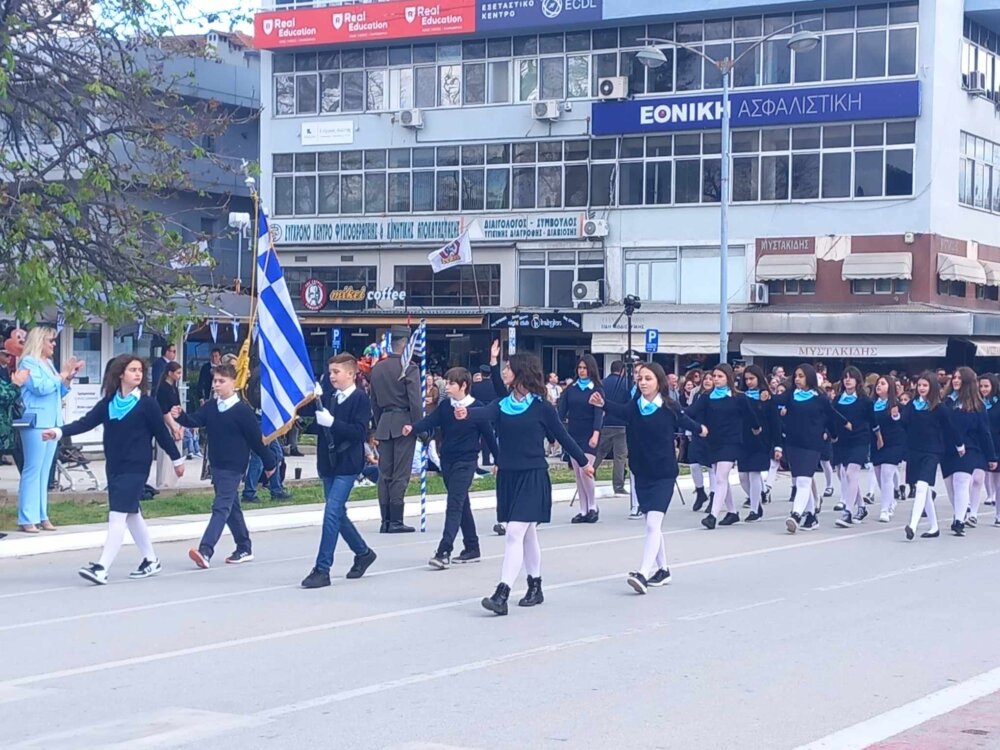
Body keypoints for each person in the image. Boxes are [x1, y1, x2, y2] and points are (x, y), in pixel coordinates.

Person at [456, 352, 592, 616]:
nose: (505, 371)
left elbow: (563, 437)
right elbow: (483, 413)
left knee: (514, 532)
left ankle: (502, 593)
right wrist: (465, 413)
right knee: (528, 535)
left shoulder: (542, 407)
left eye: (509, 368)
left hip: (533, 476)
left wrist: (584, 463)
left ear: (521, 372)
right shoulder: (501, 404)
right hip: (508, 477)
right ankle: (535, 586)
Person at [44, 355, 184, 584]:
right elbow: (85, 422)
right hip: (115, 466)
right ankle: (151, 560)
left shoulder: (147, 403)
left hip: (137, 467)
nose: (138, 374)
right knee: (131, 514)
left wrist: (177, 460)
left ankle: (102, 567)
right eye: (132, 370)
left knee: (117, 515)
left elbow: (161, 434)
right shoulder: (109, 402)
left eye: (140, 370)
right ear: (120, 374)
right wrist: (58, 432)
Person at [590, 363, 705, 594]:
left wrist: (701, 429)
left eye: (648, 378)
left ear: (659, 382)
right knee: (652, 525)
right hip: (641, 472)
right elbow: (620, 411)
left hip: (663, 474)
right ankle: (663, 570)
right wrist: (603, 404)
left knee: (653, 524)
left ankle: (642, 573)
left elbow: (686, 421)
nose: (643, 382)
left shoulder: (669, 406)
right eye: (640, 378)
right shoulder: (635, 406)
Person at [175, 363, 276, 568]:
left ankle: (205, 550)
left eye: (221, 381)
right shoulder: (212, 406)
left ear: (233, 383)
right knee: (232, 508)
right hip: (217, 465)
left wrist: (269, 462)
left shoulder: (243, 411)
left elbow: (256, 441)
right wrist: (181, 416)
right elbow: (196, 420)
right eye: (215, 381)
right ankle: (244, 547)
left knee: (221, 507)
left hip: (234, 466)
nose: (216, 385)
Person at [404, 366, 499, 569]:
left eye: (451, 383)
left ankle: (444, 550)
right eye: (446, 383)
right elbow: (431, 420)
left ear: (463, 385)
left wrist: (499, 461)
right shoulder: (446, 406)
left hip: (466, 462)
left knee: (454, 503)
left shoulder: (477, 408)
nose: (446, 387)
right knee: (462, 503)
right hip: (447, 460)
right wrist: (413, 428)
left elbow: (489, 436)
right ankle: (472, 547)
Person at [301, 354, 378, 589]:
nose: (332, 376)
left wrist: (332, 423)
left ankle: (322, 568)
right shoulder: (329, 397)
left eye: (336, 372)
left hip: (347, 464)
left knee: (332, 512)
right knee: (338, 514)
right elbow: (309, 418)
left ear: (351, 374)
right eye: (330, 372)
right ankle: (363, 553)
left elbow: (358, 432)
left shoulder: (360, 399)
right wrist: (309, 399)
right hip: (328, 463)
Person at [17, 327, 83, 533]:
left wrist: (67, 378)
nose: (54, 344)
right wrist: (60, 375)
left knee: (46, 470)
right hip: (36, 421)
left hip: (52, 420)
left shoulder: (48, 364)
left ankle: (42, 515)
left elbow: (57, 391)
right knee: (33, 468)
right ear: (39, 341)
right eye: (50, 341)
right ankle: (27, 517)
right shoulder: (28, 362)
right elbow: (40, 388)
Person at [685, 364, 761, 529]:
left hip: (731, 442)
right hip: (713, 442)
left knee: (720, 477)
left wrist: (756, 428)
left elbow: (751, 416)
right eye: (714, 376)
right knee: (722, 478)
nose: (716, 379)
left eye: (720, 376)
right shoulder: (707, 397)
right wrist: (675, 411)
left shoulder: (738, 397)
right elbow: (690, 412)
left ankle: (712, 515)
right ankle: (732, 512)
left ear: (728, 378)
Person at [775, 363, 849, 533]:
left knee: (803, 480)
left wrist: (840, 427)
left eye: (801, 376)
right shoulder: (791, 395)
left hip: (812, 444)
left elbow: (831, 415)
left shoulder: (819, 398)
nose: (797, 379)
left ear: (809, 377)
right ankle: (811, 516)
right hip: (793, 443)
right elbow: (775, 402)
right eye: (796, 376)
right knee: (801, 479)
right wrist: (764, 396)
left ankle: (796, 515)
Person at [369, 325, 422, 533]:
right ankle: (396, 521)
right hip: (404, 424)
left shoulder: (378, 368)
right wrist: (420, 427)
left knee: (385, 475)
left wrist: (380, 423)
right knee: (400, 474)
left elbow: (374, 402)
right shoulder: (409, 367)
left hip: (385, 423)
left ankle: (385, 520)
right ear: (406, 344)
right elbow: (415, 401)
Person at [941, 367, 996, 536]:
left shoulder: (977, 405)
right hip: (947, 449)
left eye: (960, 378)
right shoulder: (946, 402)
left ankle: (959, 521)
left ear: (968, 382)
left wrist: (991, 456)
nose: (956, 380)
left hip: (969, 449)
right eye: (954, 377)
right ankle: (960, 511)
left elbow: (985, 432)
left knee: (961, 481)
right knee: (950, 486)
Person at [901, 373, 953, 540]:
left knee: (922, 486)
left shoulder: (939, 407)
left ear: (932, 387)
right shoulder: (912, 405)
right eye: (920, 385)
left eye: (925, 385)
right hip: (915, 450)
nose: (922, 388)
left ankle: (913, 525)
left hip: (932, 451)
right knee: (924, 489)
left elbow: (949, 428)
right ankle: (934, 527)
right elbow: (904, 423)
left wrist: (959, 446)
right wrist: (896, 415)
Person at [559, 354, 604, 523]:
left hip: (589, 434)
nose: (582, 371)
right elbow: (561, 412)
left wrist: (596, 433)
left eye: (585, 368)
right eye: (580, 368)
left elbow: (598, 413)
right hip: (573, 434)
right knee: (578, 472)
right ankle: (583, 510)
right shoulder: (571, 389)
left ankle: (593, 506)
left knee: (586, 471)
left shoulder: (596, 389)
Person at [241, 365, 291, 503]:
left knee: (276, 453)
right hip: (262, 418)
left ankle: (276, 489)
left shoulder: (267, 370)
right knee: (258, 456)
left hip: (268, 419)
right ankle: (249, 492)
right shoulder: (263, 373)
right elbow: (257, 398)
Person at [832, 366, 873, 528]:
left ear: (858, 380)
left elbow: (873, 421)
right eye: (845, 377)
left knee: (851, 473)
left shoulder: (865, 401)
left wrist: (878, 437)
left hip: (860, 440)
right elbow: (831, 417)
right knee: (846, 476)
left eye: (851, 377)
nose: (848, 380)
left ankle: (848, 512)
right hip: (843, 441)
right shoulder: (837, 400)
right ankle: (861, 506)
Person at [737, 365, 777, 522]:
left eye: (751, 378)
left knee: (754, 474)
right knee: (742, 476)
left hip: (761, 440)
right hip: (743, 439)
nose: (748, 382)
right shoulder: (741, 396)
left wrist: (777, 445)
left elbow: (774, 421)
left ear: (759, 378)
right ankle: (758, 499)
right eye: (746, 379)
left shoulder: (767, 397)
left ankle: (754, 510)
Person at [591, 360, 630, 497]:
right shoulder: (627, 384)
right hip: (621, 424)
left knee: (599, 453)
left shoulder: (601, 383)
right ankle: (618, 487)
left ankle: (589, 474)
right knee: (620, 457)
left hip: (604, 423)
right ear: (623, 370)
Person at [871, 375, 905, 523]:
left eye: (883, 383)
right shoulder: (872, 405)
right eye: (878, 383)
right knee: (879, 475)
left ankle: (884, 510)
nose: (879, 386)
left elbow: (904, 423)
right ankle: (890, 501)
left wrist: (896, 416)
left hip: (893, 444)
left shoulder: (896, 405)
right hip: (876, 444)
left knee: (887, 474)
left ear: (890, 387)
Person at [154, 361, 184, 489]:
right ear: (170, 373)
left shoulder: (174, 387)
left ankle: (172, 481)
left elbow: (178, 405)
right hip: (167, 421)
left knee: (176, 451)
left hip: (176, 420)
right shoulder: (163, 388)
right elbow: (164, 410)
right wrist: (173, 427)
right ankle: (163, 482)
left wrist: (181, 426)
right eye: (178, 373)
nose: (180, 376)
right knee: (165, 454)